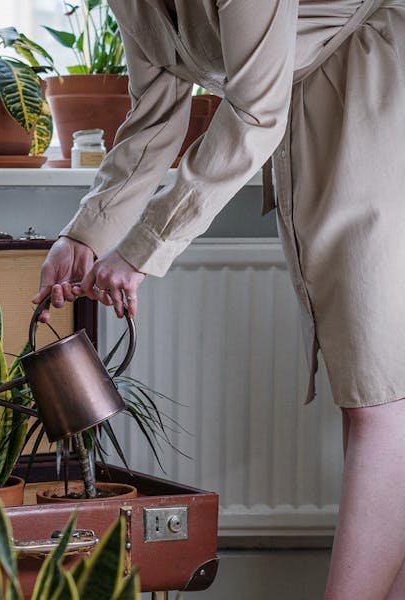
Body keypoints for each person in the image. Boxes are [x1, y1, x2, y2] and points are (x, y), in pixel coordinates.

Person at [33, 0, 405, 597]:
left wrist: (144, 247)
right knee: (370, 399)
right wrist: (85, 235)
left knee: (378, 399)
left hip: (376, 88)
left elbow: (255, 109)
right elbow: (157, 111)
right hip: (307, 110)